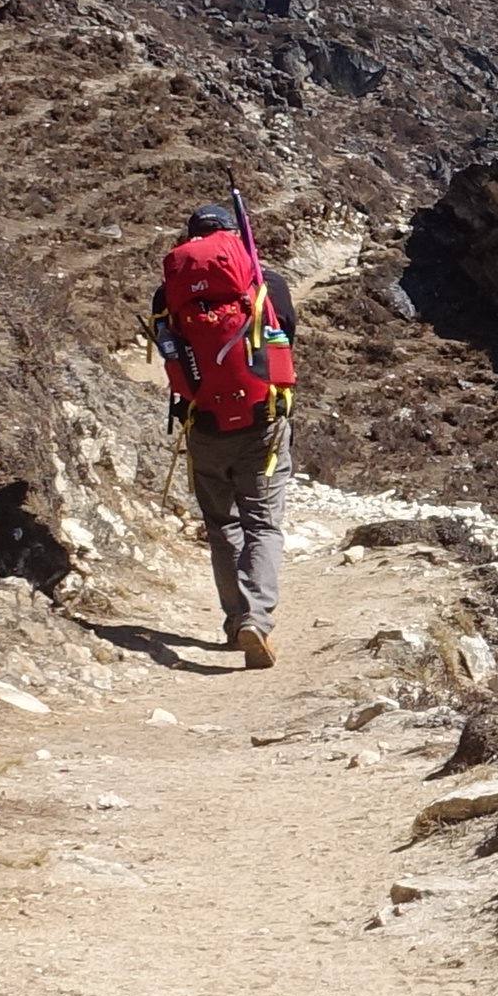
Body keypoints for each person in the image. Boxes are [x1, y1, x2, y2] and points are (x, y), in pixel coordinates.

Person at [148, 202, 298, 667]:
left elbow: (166, 347)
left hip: (203, 422)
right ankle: (257, 618)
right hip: (262, 420)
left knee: (222, 526)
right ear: (235, 236)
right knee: (263, 523)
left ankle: (237, 622)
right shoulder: (265, 283)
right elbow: (286, 337)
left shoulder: (167, 295)